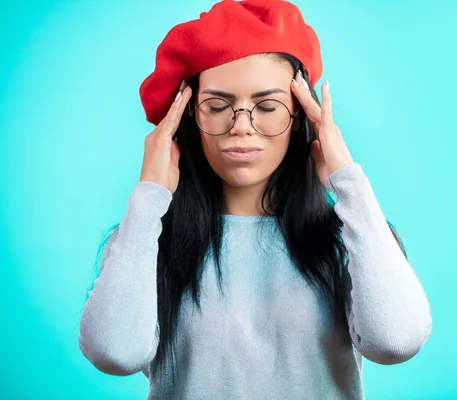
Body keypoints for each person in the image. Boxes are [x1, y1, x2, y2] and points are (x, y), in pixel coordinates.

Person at [78, 0, 432, 399]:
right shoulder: (143, 242)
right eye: (217, 106)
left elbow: (397, 341)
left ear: (302, 116)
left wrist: (348, 179)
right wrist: (148, 196)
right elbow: (113, 352)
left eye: (267, 106)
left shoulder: (351, 239)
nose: (242, 127)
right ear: (189, 117)